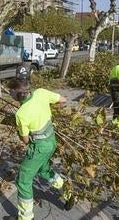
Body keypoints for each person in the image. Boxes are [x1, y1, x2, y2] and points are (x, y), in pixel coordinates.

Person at [8, 79, 74, 220]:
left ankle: (25, 217)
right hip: (51, 141)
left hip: (39, 148)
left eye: (10, 92)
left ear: (16, 94)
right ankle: (68, 192)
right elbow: (63, 100)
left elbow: (25, 140)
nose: (9, 94)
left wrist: (21, 131)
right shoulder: (41, 93)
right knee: (44, 170)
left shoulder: (21, 114)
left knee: (23, 180)